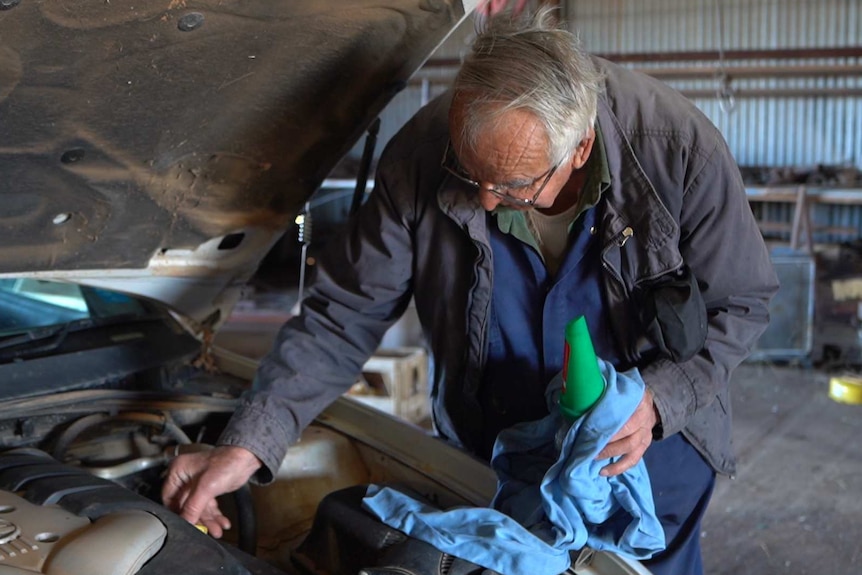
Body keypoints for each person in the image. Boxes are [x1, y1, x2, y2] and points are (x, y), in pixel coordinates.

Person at [163, 8, 778, 575]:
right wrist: (250, 443)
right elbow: (343, 312)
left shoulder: (676, 150)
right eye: (469, 173)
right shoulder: (423, 155)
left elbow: (743, 302)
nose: (483, 201)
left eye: (510, 185)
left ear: (580, 147)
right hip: (495, 455)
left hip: (647, 459)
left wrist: (658, 402)